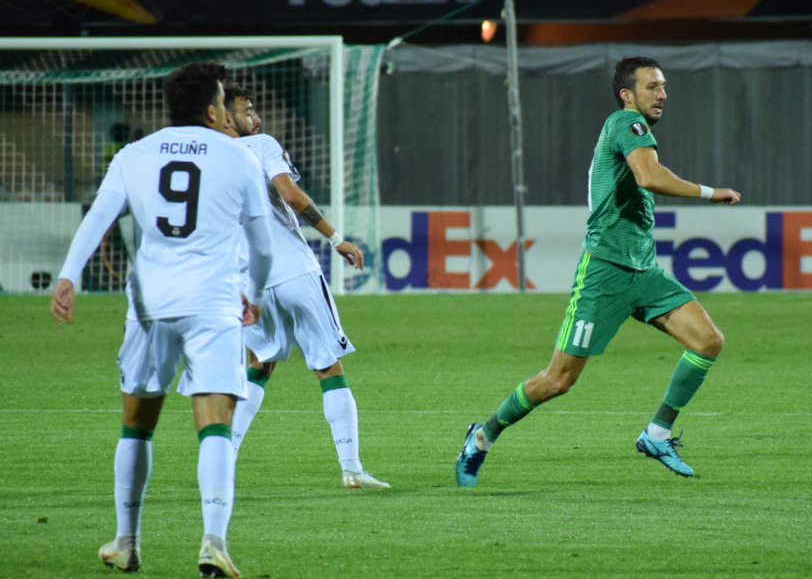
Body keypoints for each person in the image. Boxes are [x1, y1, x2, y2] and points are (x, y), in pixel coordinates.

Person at [455, 56, 741, 486]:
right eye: (652, 87)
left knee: (708, 341)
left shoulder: (633, 129)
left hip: (644, 271)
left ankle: (656, 434)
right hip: (604, 273)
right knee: (558, 380)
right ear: (627, 95)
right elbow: (649, 176)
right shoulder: (626, 122)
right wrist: (711, 192)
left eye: (663, 86)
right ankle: (483, 436)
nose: (662, 94)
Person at [51, 61, 274, 577]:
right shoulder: (239, 157)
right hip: (213, 303)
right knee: (215, 424)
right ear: (212, 110)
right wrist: (256, 294)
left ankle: (126, 542)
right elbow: (262, 247)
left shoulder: (134, 155)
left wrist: (69, 276)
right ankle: (213, 541)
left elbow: (99, 217)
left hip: (150, 306)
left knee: (137, 426)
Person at [222, 83, 389, 489]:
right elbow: (292, 196)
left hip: (249, 282)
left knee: (258, 365)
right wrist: (336, 239)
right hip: (294, 271)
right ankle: (351, 468)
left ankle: (222, 461)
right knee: (328, 367)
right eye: (247, 111)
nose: (256, 118)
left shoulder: (206, 160)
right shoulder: (262, 145)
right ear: (225, 116)